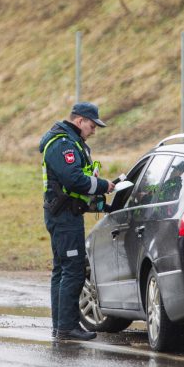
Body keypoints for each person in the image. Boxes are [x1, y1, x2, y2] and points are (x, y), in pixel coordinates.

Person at [39, 102, 115, 341]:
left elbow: (78, 181)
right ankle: (67, 327)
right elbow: (73, 180)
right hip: (64, 216)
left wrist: (100, 200)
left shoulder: (71, 142)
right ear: (79, 120)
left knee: (62, 270)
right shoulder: (62, 144)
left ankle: (61, 326)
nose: (93, 131)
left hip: (66, 214)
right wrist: (104, 185)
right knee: (71, 270)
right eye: (92, 125)